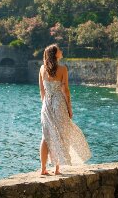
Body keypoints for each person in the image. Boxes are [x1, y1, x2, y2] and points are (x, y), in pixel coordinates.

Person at [38, 44, 91, 175]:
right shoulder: (62, 69)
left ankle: (43, 169)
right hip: (59, 103)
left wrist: (45, 104)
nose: (61, 51)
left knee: (46, 136)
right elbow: (66, 91)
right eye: (59, 50)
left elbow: (41, 91)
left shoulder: (41, 69)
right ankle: (57, 169)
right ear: (55, 54)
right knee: (61, 134)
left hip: (46, 105)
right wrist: (69, 108)